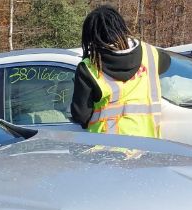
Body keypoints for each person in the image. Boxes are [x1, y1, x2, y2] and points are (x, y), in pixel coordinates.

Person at [71, 5, 171, 138]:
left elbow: (81, 115)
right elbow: (168, 62)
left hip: (107, 148)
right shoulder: (151, 55)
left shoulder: (89, 67)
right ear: (121, 28)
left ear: (91, 37)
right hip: (148, 145)